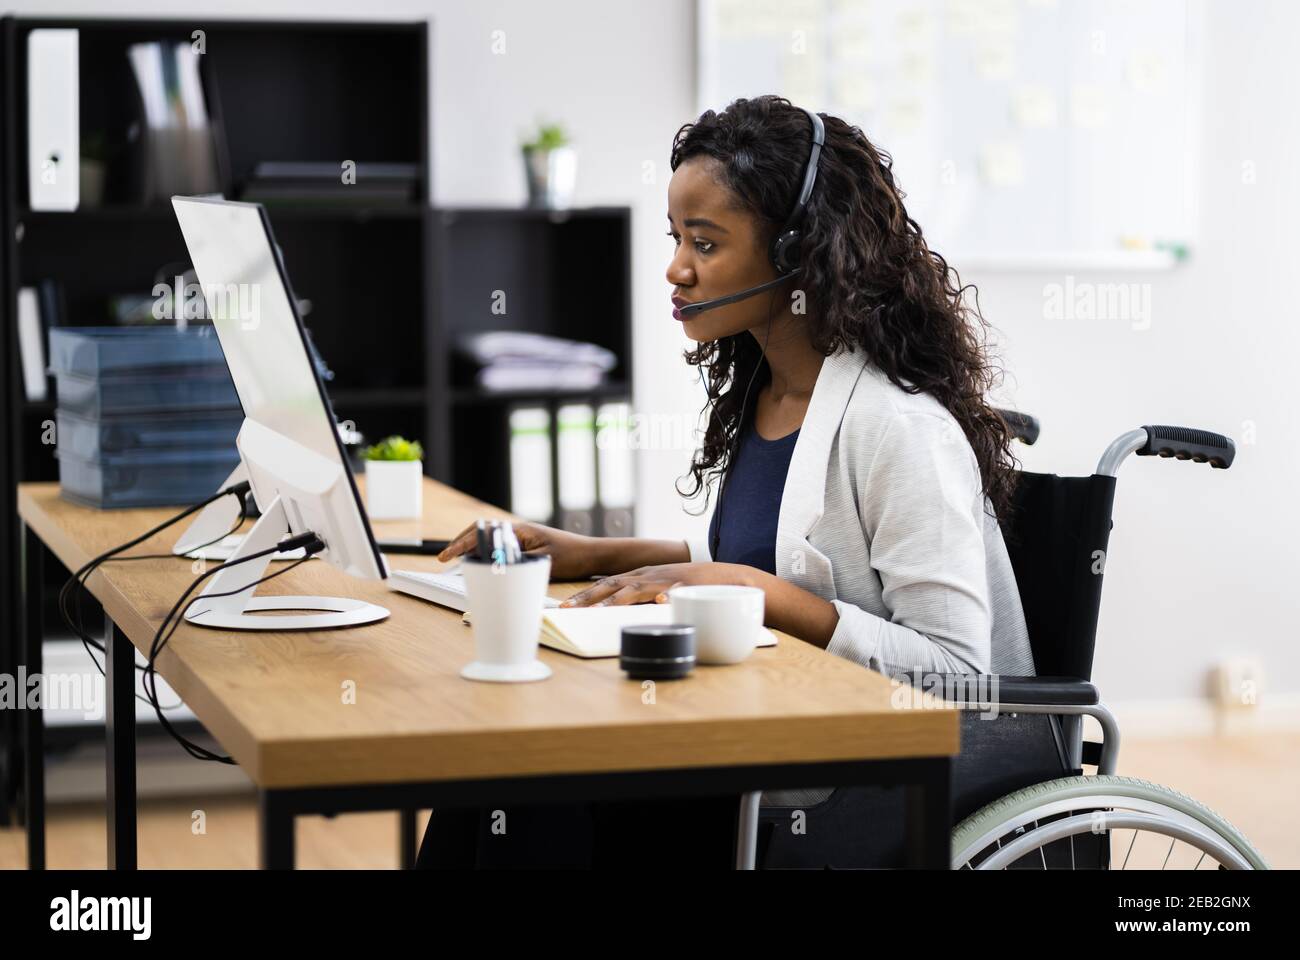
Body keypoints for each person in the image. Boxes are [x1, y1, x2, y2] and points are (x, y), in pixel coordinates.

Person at [417, 95, 1035, 869]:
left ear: (800, 253)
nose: (676, 267)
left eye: (704, 243)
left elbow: (955, 676)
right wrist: (593, 554)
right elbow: (761, 556)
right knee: (495, 770)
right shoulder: (769, 396)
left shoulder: (897, 429)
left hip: (880, 787)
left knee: (542, 792)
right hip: (774, 737)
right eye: (677, 237)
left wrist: (752, 591)